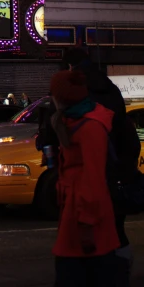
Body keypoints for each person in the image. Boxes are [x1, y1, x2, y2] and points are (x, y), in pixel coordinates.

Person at [50, 70, 119, 287]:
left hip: (86, 222)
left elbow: (93, 179)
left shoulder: (89, 127)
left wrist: (87, 224)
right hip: (76, 214)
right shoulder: (72, 121)